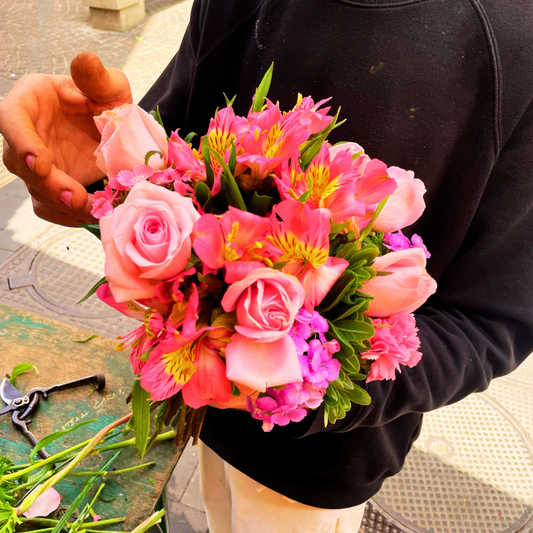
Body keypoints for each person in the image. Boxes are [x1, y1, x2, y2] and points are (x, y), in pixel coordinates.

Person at [2, 0, 533, 531]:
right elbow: (176, 147)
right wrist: (103, 167)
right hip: (204, 409)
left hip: (324, 461)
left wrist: (296, 384)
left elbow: (495, 320)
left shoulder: (516, 40)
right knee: (216, 512)